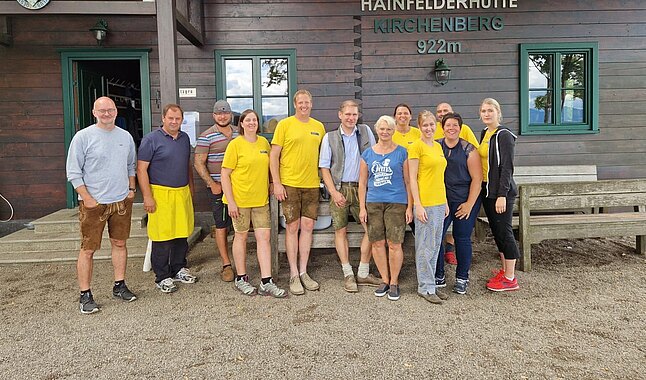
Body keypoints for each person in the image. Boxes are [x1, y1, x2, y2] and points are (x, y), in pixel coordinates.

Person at [66, 96, 138, 314]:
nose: (107, 114)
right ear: (94, 112)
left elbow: (130, 165)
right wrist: (87, 198)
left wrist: (131, 190)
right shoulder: (83, 137)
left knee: (119, 243)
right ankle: (85, 294)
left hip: (120, 201)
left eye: (111, 110)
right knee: (88, 249)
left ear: (116, 111)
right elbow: (73, 172)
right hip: (93, 203)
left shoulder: (125, 137)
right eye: (102, 110)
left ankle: (119, 285)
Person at [221, 109, 287, 298]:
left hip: (260, 200)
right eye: (247, 120)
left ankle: (267, 281)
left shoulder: (264, 143)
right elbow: (225, 174)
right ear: (241, 123)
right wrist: (231, 202)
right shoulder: (235, 145)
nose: (251, 123)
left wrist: (273, 183)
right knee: (241, 237)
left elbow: (269, 167)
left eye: (254, 120)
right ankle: (241, 278)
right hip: (240, 201)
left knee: (264, 238)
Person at [319, 100, 382, 293]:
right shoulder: (329, 137)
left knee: (372, 228)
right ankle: (348, 273)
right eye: (347, 114)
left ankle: (363, 271)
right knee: (340, 230)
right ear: (340, 115)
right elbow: (324, 167)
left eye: (354, 114)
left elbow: (375, 156)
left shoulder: (365, 132)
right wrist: (334, 192)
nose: (351, 118)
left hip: (363, 188)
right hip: (340, 188)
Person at [270, 89, 326, 295]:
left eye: (307, 102)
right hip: (290, 183)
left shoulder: (318, 127)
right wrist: (277, 183)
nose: (304, 105)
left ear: (311, 104)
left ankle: (304, 272)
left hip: (312, 184)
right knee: (292, 227)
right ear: (295, 104)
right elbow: (274, 156)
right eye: (300, 102)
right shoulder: (284, 125)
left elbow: (323, 157)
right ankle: (293, 274)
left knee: (308, 225)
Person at [137, 104, 197, 293]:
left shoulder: (185, 138)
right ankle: (162, 276)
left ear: (181, 120)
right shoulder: (151, 140)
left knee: (181, 233)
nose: (174, 121)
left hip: (181, 192)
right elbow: (141, 169)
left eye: (177, 118)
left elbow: (186, 164)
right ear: (163, 118)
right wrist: (147, 196)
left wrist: (191, 188)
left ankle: (178, 267)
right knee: (162, 236)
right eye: (170, 118)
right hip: (160, 193)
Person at [359, 115, 413, 301]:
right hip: (373, 202)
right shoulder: (367, 154)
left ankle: (395, 282)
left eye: (389, 129)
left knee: (394, 243)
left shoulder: (402, 153)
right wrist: (362, 208)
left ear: (393, 131)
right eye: (382, 128)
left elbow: (408, 181)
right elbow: (363, 183)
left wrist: (409, 207)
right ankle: (384, 279)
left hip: (396, 202)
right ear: (377, 130)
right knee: (377, 242)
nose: (385, 132)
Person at [435, 113, 483, 295]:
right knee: (437, 236)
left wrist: (470, 204)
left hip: (465, 198)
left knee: (461, 237)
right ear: (443, 127)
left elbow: (477, 179)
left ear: (460, 128)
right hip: (442, 199)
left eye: (455, 125)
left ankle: (462, 277)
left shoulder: (468, 149)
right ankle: (438, 275)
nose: (451, 128)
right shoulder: (437, 146)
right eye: (448, 125)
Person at [477, 98, 521, 292]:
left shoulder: (504, 135)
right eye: (483, 111)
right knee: (497, 232)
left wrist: (502, 194)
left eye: (490, 111)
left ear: (498, 112)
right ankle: (504, 270)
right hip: (487, 191)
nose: (487, 114)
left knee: (505, 232)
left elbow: (507, 167)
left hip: (501, 193)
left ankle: (511, 278)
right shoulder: (486, 133)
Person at [407, 111, 449, 304]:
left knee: (435, 246)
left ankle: (431, 284)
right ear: (419, 126)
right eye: (425, 125)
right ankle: (424, 287)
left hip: (440, 202)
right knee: (424, 246)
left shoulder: (439, 146)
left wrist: (446, 202)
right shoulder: (416, 147)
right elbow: (412, 179)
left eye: (432, 124)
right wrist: (418, 204)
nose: (429, 128)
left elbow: (440, 177)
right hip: (425, 203)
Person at [194, 100, 237, 282]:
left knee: (242, 226)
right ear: (214, 116)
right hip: (219, 188)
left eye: (225, 113)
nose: (222, 116)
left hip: (240, 188)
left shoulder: (239, 132)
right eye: (219, 113)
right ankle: (226, 264)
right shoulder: (206, 136)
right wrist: (211, 183)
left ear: (230, 114)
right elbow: (198, 163)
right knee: (221, 225)